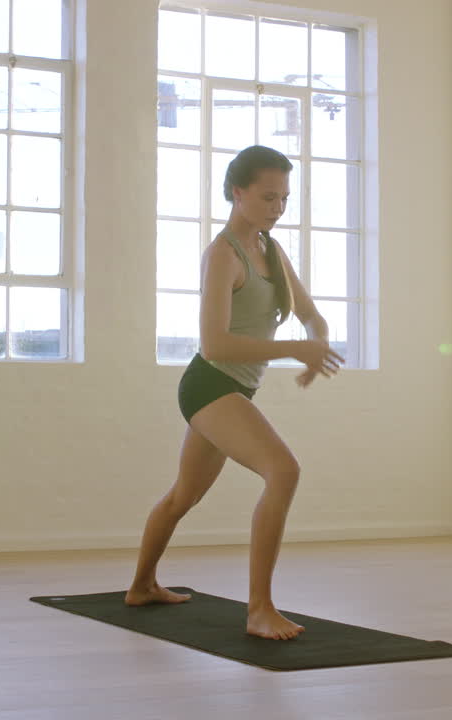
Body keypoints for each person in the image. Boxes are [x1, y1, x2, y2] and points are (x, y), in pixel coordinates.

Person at [125, 145, 345, 640]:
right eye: (268, 197)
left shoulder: (271, 249)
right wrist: (296, 349)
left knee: (184, 495)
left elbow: (311, 314)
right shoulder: (223, 255)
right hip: (209, 385)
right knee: (283, 471)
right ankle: (260, 610)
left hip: (235, 390)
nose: (277, 208)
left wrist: (316, 345)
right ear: (236, 191)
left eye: (284, 199)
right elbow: (216, 342)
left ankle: (141, 587)